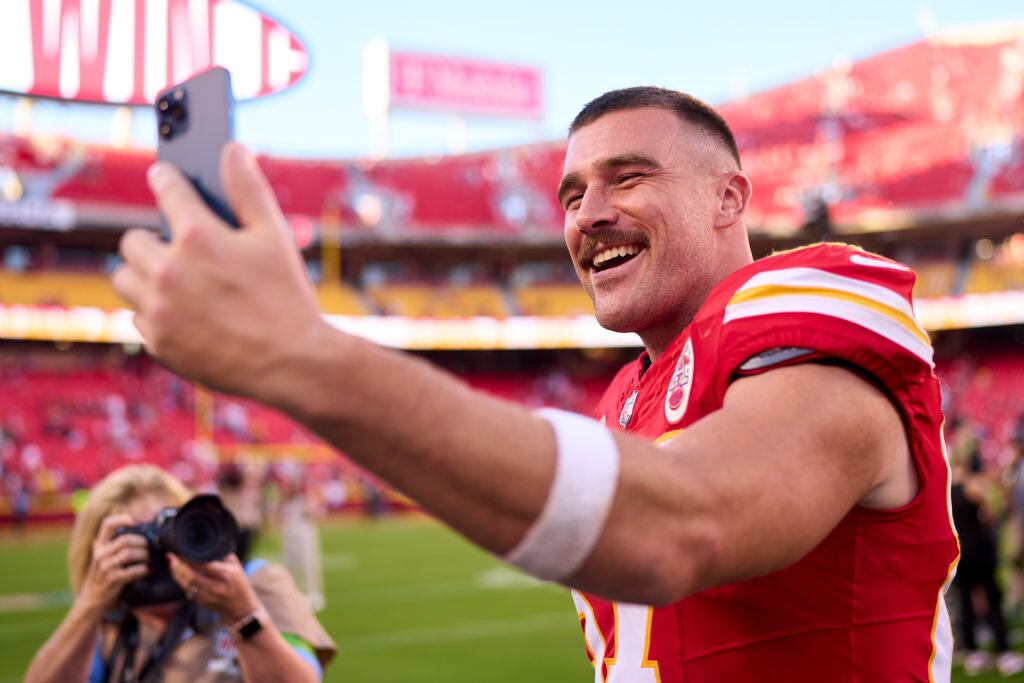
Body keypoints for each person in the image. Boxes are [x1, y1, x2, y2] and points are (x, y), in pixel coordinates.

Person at [112, 86, 959, 680]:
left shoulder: (811, 300)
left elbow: (684, 524)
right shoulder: (626, 395)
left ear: (730, 197)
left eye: (628, 176)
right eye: (571, 193)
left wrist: (298, 354)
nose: (588, 213)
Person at [24, 464, 334, 683]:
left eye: (168, 532)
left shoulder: (256, 584)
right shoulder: (108, 624)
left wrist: (243, 614)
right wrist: (90, 606)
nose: (159, 554)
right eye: (137, 539)